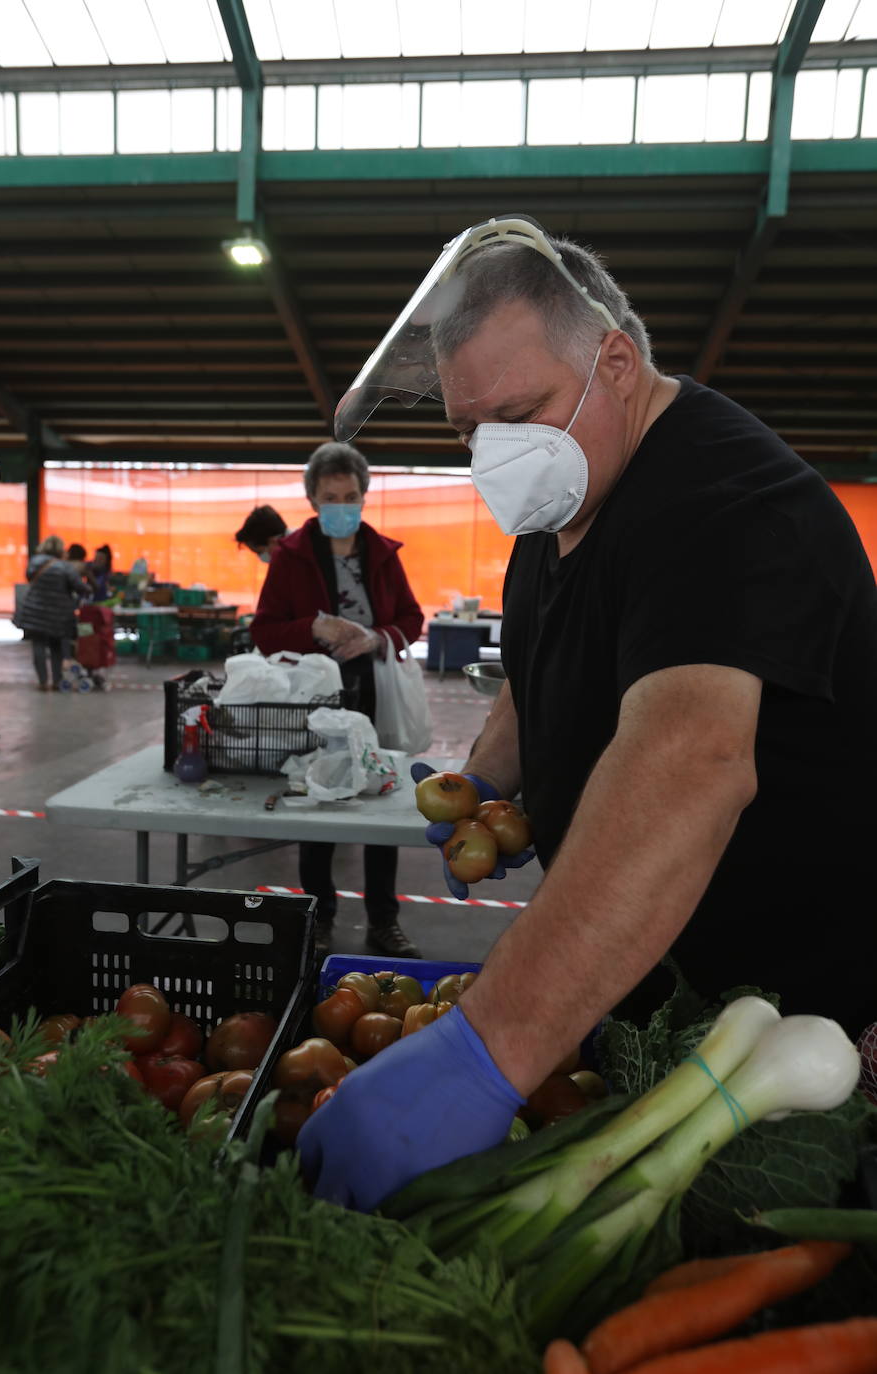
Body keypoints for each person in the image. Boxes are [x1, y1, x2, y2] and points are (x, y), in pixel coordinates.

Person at [297, 214, 877, 1211]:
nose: (494, 453)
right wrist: (491, 776)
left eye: (517, 412)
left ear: (613, 361)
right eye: (470, 428)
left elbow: (690, 758)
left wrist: (489, 1054)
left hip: (790, 1025)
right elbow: (547, 659)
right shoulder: (564, 498)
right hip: (655, 995)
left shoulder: (727, 502)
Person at [251, 442, 424, 959]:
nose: (343, 505)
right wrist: (313, 627)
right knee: (318, 807)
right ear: (312, 499)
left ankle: (383, 920)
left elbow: (413, 619)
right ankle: (318, 915)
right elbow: (264, 632)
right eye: (331, 497)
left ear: (364, 496)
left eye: (351, 496)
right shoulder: (292, 557)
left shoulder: (383, 554)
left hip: (373, 697)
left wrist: (378, 637)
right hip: (315, 704)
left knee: (379, 810)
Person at [17, 535, 91, 691]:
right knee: (56, 646)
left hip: (35, 611)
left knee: (38, 645)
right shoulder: (65, 567)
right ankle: (57, 681)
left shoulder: (34, 563)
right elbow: (79, 586)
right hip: (58, 613)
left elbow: (29, 578)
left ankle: (43, 682)